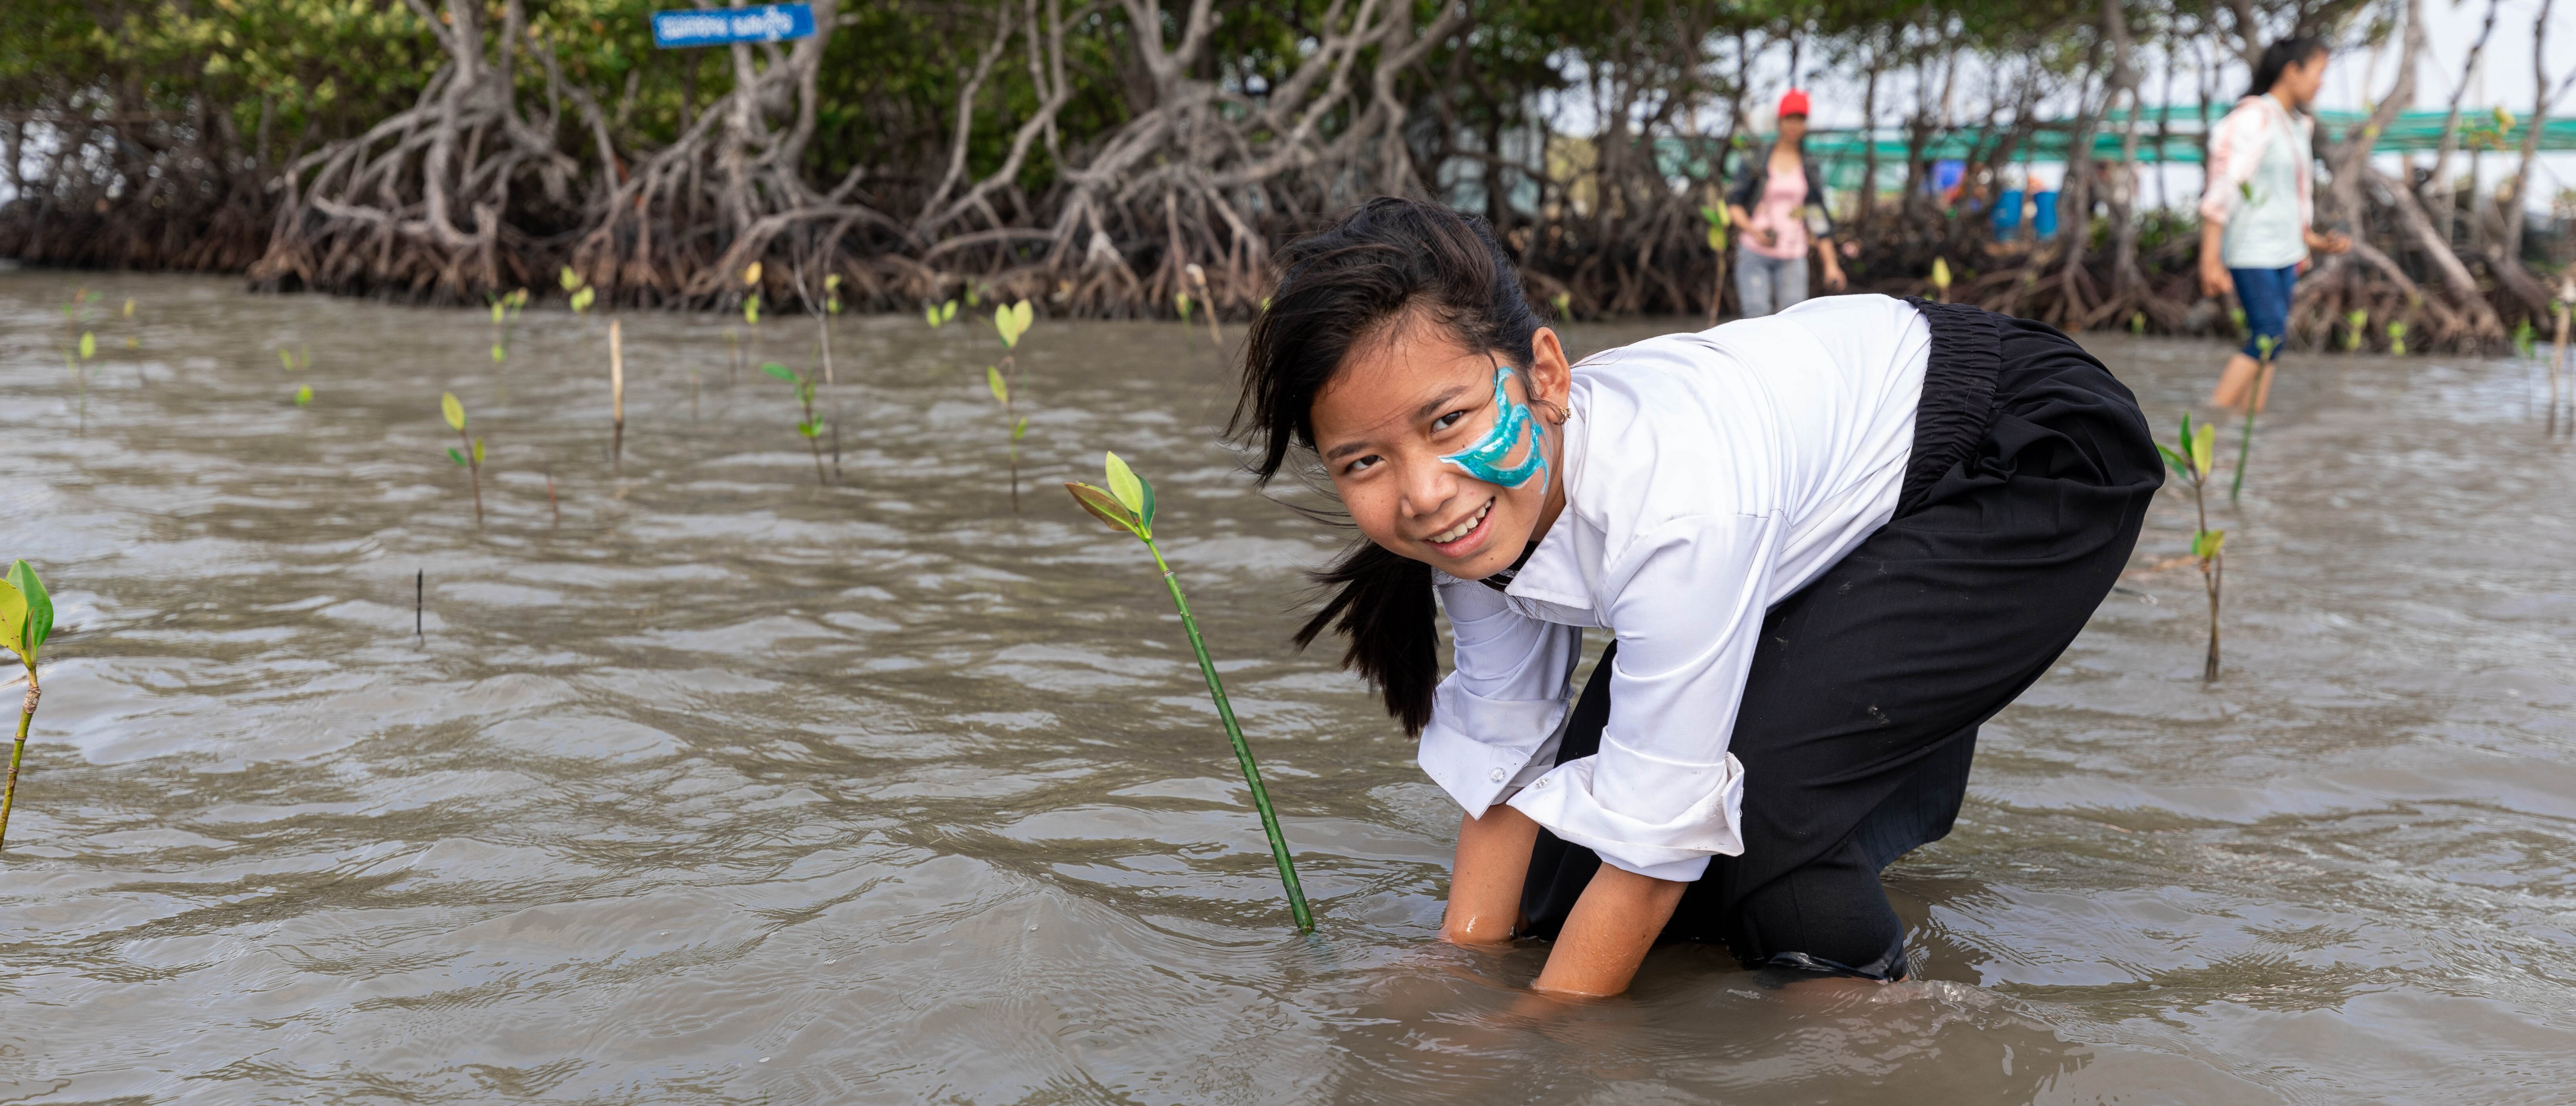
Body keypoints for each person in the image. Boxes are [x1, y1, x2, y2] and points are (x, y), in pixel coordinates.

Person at [1235, 198, 2162, 996]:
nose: (1424, 490)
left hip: (2022, 448)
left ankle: (1876, 1032)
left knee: (1760, 818)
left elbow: (1652, 852)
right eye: (1366, 460)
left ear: (1546, 377)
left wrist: (1524, 1044)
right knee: (1555, 890)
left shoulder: (1674, 508)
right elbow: (1508, 760)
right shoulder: (1473, 526)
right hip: (1824, 486)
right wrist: (1459, 972)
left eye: (1448, 421)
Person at [2198, 36, 2352, 411]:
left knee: (2273, 343)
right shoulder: (2253, 117)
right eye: (2318, 73)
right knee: (2268, 333)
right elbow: (2222, 189)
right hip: (2252, 249)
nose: (2321, 83)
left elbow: (2290, 197)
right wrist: (2209, 261)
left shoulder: (2298, 125)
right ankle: (2211, 419)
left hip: (2285, 252)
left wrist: (2313, 240)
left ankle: (2247, 428)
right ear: (2291, 71)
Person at [1725, 89, 1847, 317]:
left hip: (1793, 254)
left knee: (1791, 319)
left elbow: (1816, 214)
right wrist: (1755, 231)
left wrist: (1831, 264)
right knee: (1756, 315)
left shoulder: (1809, 165)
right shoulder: (1757, 158)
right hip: (1754, 250)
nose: (1794, 125)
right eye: (1789, 118)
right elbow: (1734, 204)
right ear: (1780, 121)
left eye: (1800, 120)